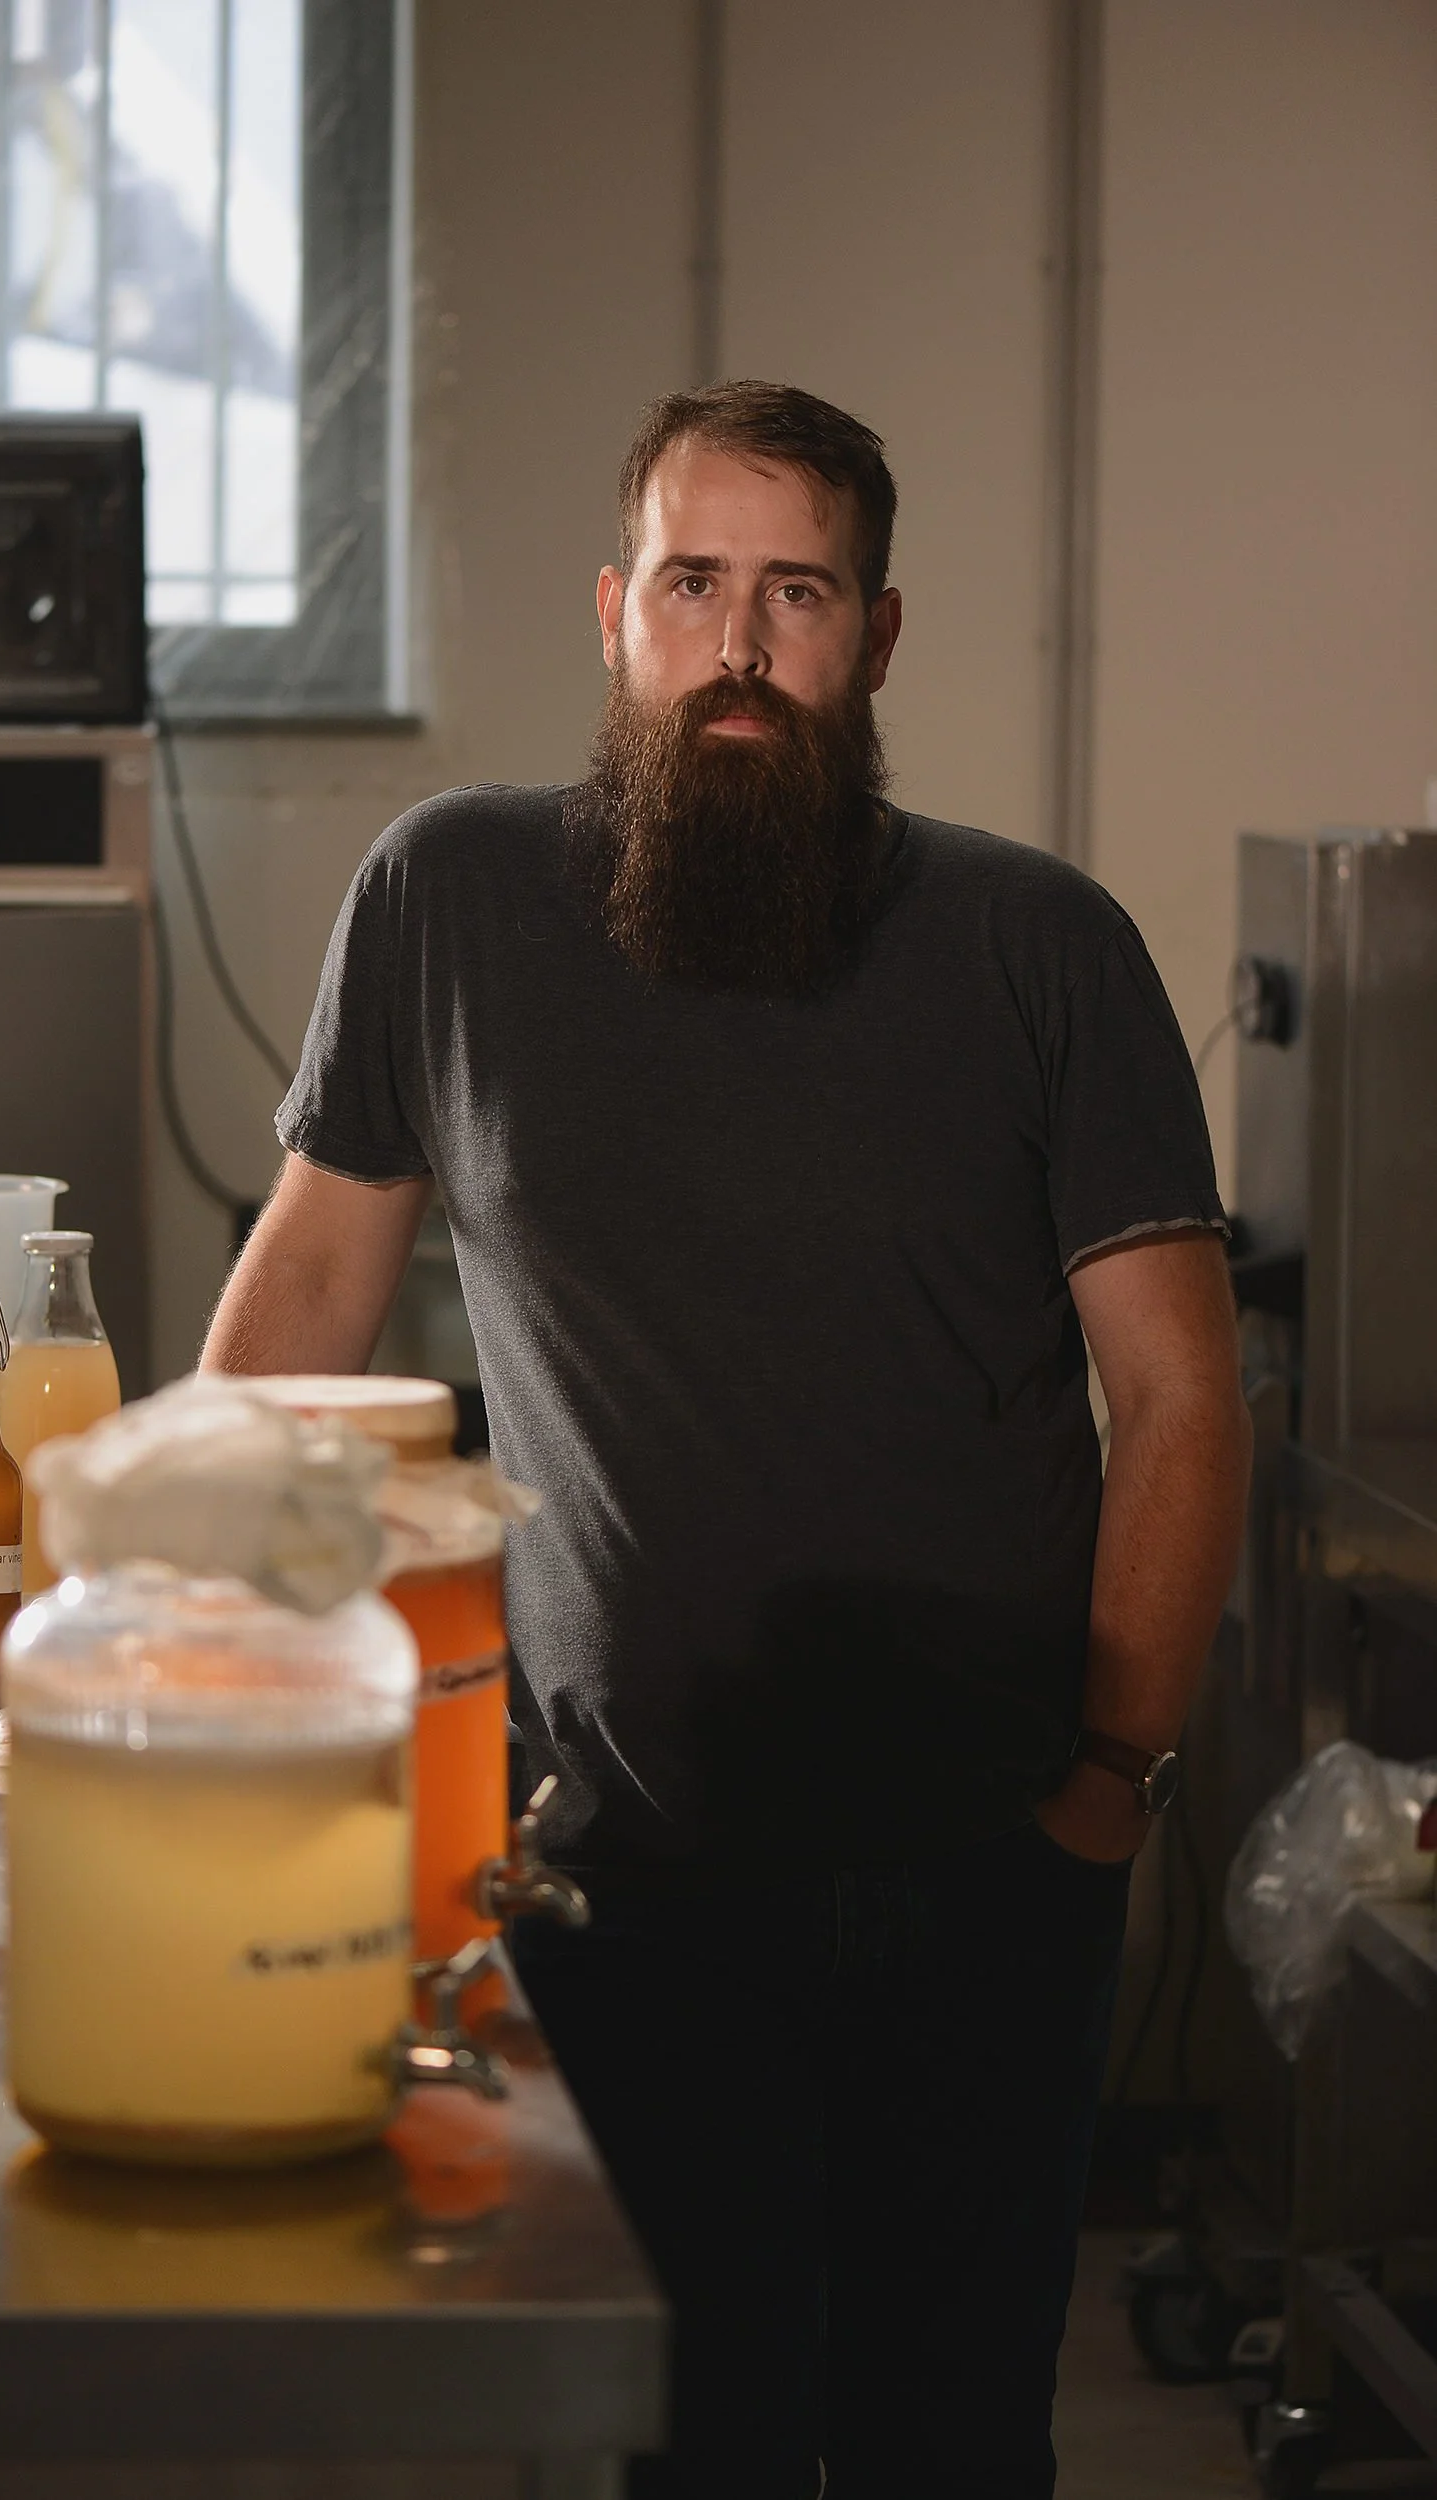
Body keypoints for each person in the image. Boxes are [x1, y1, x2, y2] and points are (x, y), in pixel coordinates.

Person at [202, 380, 1252, 2499]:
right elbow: (304, 1301)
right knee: (694, 2438)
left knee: (952, 2439)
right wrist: (188, 1651)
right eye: (697, 582)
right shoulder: (452, 903)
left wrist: (1109, 1782)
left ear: (877, 637)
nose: (744, 640)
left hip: (989, 1859)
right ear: (616, 613)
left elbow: (1179, 1391)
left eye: (801, 590)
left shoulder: (1037, 943)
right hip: (628, 1876)